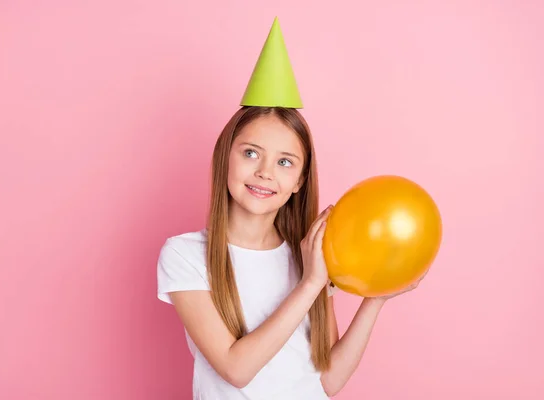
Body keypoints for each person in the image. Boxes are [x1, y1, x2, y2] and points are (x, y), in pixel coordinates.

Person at [156, 18, 423, 399]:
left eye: (285, 162)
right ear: (225, 160)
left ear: (299, 181)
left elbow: (326, 380)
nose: (265, 173)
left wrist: (374, 301)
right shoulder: (185, 255)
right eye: (251, 153)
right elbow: (236, 369)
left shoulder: (312, 253)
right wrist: (311, 282)